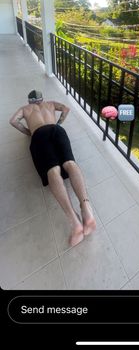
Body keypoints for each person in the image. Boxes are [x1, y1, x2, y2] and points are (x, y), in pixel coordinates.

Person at [9, 89, 96, 247]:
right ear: (42, 99)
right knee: (70, 163)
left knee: (52, 170)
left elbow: (13, 121)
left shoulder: (25, 109)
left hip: (39, 135)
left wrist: (29, 132)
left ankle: (75, 222)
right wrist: (58, 123)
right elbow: (65, 109)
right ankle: (86, 209)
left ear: (30, 102)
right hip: (57, 131)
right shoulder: (50, 104)